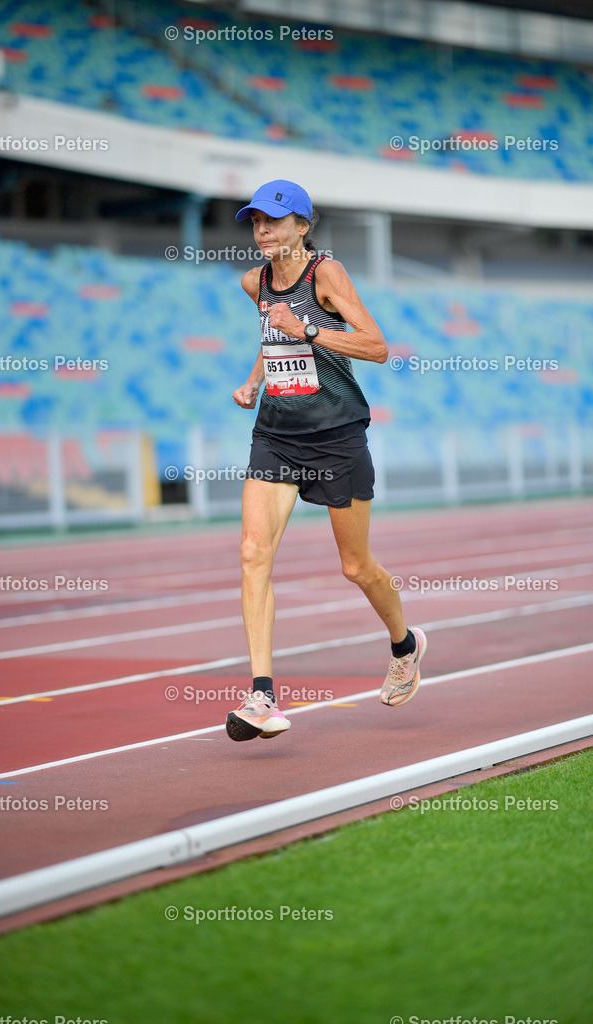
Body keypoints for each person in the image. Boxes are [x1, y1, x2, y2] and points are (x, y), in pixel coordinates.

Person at [225, 179, 426, 742]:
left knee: (356, 566)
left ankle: (405, 646)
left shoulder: (326, 275)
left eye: (273, 221)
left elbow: (377, 346)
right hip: (276, 434)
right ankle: (262, 695)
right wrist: (252, 381)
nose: (262, 231)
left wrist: (311, 326)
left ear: (302, 226)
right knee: (251, 552)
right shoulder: (253, 282)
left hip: (337, 435)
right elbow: (274, 338)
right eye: (255, 222)